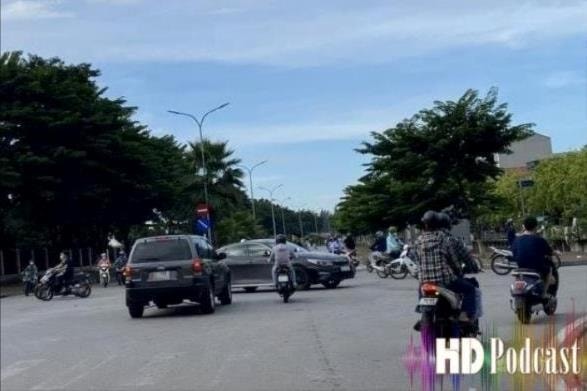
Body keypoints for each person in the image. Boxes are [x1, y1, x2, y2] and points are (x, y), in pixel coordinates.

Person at [414, 211, 476, 323]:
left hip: (425, 282)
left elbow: (417, 262)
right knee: (470, 289)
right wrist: (459, 272)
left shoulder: (418, 240)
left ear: (425, 224)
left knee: (421, 286)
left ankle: (422, 311)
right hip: (445, 280)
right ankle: (463, 315)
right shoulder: (443, 238)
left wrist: (420, 275)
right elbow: (453, 259)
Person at [511, 216, 555, 297]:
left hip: (520, 266)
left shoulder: (516, 240)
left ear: (524, 226)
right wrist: (556, 253)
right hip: (535, 267)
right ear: (536, 227)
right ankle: (544, 294)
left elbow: (514, 253)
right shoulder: (539, 240)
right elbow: (549, 252)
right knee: (550, 270)